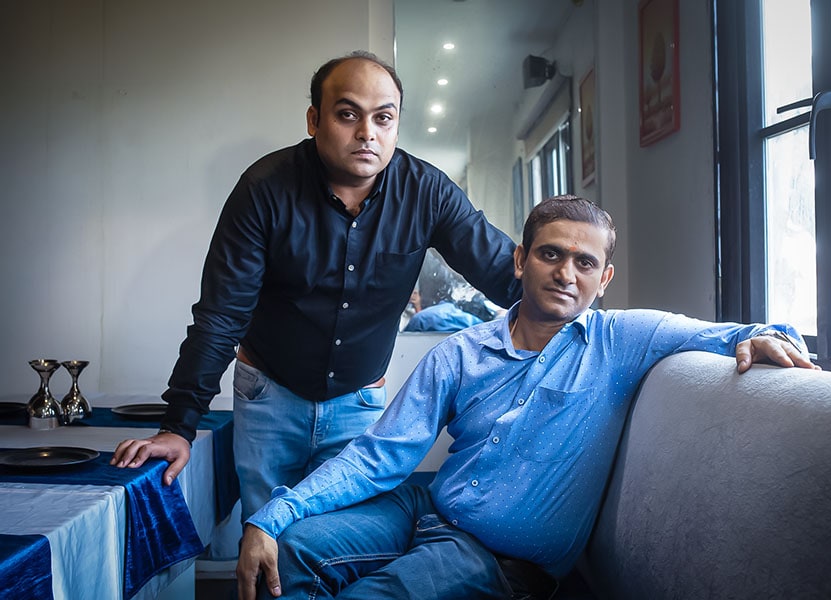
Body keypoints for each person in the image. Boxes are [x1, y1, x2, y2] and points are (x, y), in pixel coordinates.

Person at [235, 195, 820, 600]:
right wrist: (271, 515)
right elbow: (378, 455)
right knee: (290, 550)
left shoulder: (623, 342)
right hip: (426, 509)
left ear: (604, 278)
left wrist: (773, 337)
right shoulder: (460, 352)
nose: (567, 272)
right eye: (551, 254)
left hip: (497, 561)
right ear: (520, 260)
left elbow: (736, 332)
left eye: (584, 262)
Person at [110, 50, 522, 522]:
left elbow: (501, 271)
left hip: (360, 404)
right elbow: (222, 316)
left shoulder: (428, 192)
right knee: (265, 546)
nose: (367, 133)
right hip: (268, 398)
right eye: (348, 114)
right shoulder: (264, 189)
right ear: (314, 119)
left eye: (384, 119)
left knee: (343, 547)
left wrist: (581, 322)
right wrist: (178, 426)